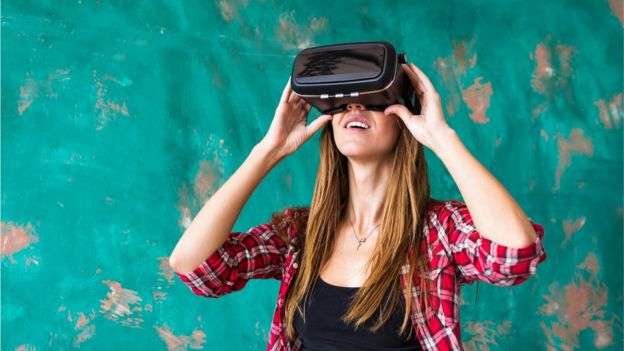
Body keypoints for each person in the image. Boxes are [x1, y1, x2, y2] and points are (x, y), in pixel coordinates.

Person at [168, 63, 547, 351]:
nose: (355, 105)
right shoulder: (301, 234)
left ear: (405, 120)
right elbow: (196, 266)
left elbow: (514, 255)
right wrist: (268, 151)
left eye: (373, 97)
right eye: (344, 99)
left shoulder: (438, 231)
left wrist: (442, 139)